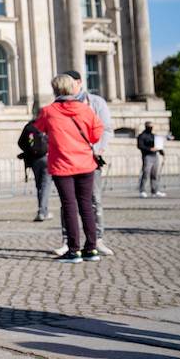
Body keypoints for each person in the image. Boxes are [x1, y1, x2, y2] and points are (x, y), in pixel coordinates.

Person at [35, 74, 103, 263]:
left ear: (55, 89)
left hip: (62, 165)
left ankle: (74, 250)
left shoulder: (48, 111)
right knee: (86, 206)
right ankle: (91, 249)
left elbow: (38, 130)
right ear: (73, 88)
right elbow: (97, 135)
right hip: (85, 163)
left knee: (69, 206)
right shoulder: (86, 110)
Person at [52, 71, 115, 256]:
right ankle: (69, 241)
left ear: (78, 83)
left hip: (89, 160)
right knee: (68, 203)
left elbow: (105, 129)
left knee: (93, 200)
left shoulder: (95, 102)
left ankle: (97, 239)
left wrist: (97, 151)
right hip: (65, 160)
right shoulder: (57, 105)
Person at [17, 118, 51, 221]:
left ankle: (43, 210)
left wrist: (29, 151)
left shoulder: (29, 127)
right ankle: (42, 211)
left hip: (34, 160)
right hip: (46, 157)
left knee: (39, 186)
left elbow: (20, 142)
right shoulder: (46, 125)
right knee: (45, 186)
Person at [138, 121, 165, 197]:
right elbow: (140, 146)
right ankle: (142, 190)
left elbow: (158, 145)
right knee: (146, 173)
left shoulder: (154, 136)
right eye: (149, 126)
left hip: (155, 156)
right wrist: (149, 149)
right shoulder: (142, 136)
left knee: (154, 174)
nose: (151, 128)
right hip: (147, 156)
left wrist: (161, 152)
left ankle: (155, 190)